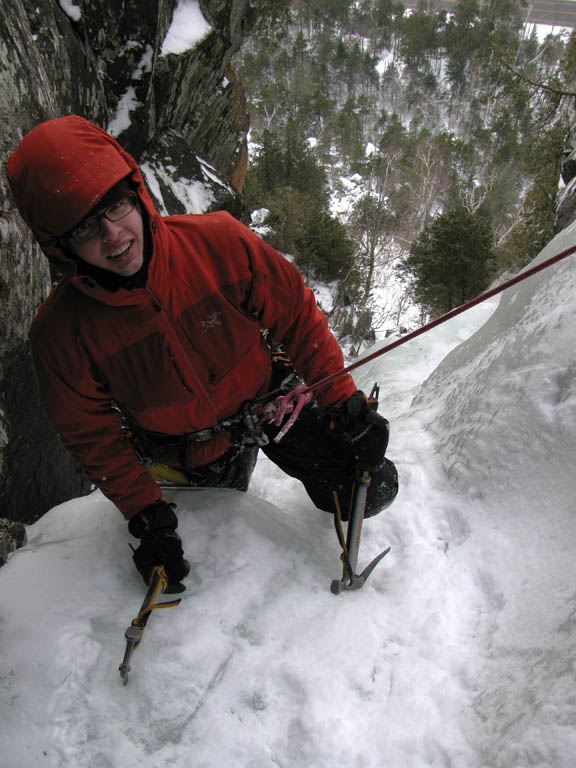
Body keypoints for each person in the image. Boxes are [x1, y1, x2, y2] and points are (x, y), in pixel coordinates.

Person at [6, 115, 398, 592]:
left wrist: (344, 404)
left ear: (136, 192)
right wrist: (146, 516)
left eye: (115, 206)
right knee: (220, 546)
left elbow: (294, 313)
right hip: (182, 450)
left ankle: (321, 477)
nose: (112, 234)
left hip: (265, 404)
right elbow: (91, 434)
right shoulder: (62, 334)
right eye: (85, 228)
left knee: (373, 487)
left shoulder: (218, 243)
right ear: (60, 247)